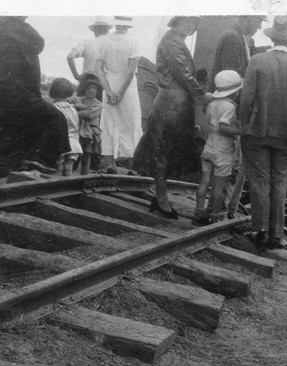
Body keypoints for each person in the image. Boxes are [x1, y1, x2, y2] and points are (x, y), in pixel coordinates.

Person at [238, 15, 287, 249]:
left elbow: (247, 98)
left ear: (273, 39)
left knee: (259, 181)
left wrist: (244, 123)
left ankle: (260, 231)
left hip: (257, 133)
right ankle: (276, 235)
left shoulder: (257, 61)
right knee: (280, 184)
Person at [132, 16, 210, 218]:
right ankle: (160, 199)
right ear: (176, 22)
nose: (191, 26)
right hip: (171, 104)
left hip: (176, 103)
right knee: (163, 151)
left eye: (194, 23)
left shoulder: (176, 41)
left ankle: (160, 197)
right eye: (187, 21)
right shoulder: (171, 42)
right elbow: (183, 73)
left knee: (166, 150)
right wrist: (202, 96)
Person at [0, 16, 69, 180]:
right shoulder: (27, 37)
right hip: (14, 97)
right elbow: (30, 81)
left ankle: (10, 170)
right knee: (55, 119)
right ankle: (33, 168)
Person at [209, 15, 266, 219]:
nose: (259, 26)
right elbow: (234, 75)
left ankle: (223, 210)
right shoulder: (233, 37)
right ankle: (223, 212)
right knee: (232, 163)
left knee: (231, 165)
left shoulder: (243, 38)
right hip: (232, 107)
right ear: (245, 19)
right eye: (257, 21)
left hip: (233, 105)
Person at [192, 70, 244, 226]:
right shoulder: (230, 107)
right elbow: (223, 127)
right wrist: (241, 131)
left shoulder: (211, 104)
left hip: (209, 147)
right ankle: (215, 216)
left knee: (204, 182)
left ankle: (198, 212)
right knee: (218, 186)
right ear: (235, 92)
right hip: (223, 151)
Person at [95, 16, 143, 172]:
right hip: (127, 88)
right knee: (130, 122)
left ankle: (109, 163)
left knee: (110, 121)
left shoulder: (103, 41)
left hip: (109, 82)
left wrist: (108, 91)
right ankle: (130, 166)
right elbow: (130, 71)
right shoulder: (132, 41)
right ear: (128, 26)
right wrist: (121, 92)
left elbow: (98, 69)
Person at [66, 17, 111, 97]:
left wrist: (76, 76)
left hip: (88, 83)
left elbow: (70, 56)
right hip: (107, 84)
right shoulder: (114, 45)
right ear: (107, 30)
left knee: (83, 108)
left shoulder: (87, 42)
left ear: (95, 30)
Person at [48, 78, 83, 176]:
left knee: (58, 169)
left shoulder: (53, 108)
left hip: (59, 143)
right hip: (73, 142)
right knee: (69, 169)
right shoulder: (73, 109)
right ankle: (68, 187)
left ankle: (58, 188)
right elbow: (76, 126)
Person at [71, 76, 103, 175]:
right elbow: (66, 103)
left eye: (94, 88)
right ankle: (70, 178)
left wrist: (73, 111)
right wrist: (77, 106)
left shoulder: (98, 104)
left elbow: (88, 115)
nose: (91, 90)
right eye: (88, 88)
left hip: (91, 133)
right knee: (74, 157)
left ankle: (85, 179)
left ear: (97, 91)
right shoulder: (77, 100)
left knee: (87, 158)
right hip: (78, 132)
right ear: (84, 90)